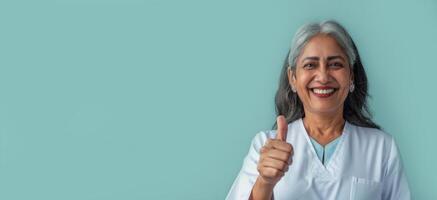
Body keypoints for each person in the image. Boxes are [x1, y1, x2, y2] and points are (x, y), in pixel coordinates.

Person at [226, 20, 411, 200]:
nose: (323, 77)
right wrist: (265, 183)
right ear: (293, 78)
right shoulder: (265, 145)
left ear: (351, 76)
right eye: (310, 65)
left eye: (335, 64)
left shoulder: (382, 148)